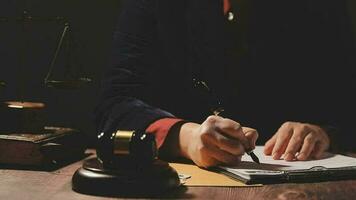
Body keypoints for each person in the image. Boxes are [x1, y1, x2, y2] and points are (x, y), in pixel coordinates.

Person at [95, 0, 355, 168]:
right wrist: (185, 138)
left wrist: (324, 132)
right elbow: (114, 104)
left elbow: (346, 105)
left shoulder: (321, 7)